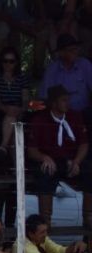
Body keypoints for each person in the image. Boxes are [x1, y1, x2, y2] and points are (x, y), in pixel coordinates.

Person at [28, 85, 92, 227]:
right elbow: (32, 150)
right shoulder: (39, 119)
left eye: (68, 100)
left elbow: (84, 144)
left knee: (89, 170)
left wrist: (77, 161)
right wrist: (44, 157)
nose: (67, 103)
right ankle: (45, 221)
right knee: (45, 172)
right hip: (51, 161)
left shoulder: (75, 116)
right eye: (63, 100)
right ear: (53, 103)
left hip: (71, 160)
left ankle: (89, 217)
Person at [0, 45, 30, 157]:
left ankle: (3, 147)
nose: (8, 64)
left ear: (16, 63)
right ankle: (14, 168)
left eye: (11, 61)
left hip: (19, 111)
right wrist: (7, 109)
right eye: (5, 61)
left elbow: (25, 100)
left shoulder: (22, 78)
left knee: (14, 123)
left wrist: (20, 109)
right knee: (14, 130)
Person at [40, 34, 92, 124]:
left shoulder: (85, 64)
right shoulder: (52, 70)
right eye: (71, 50)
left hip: (84, 112)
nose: (75, 52)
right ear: (61, 53)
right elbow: (45, 98)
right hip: (61, 114)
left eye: (76, 49)